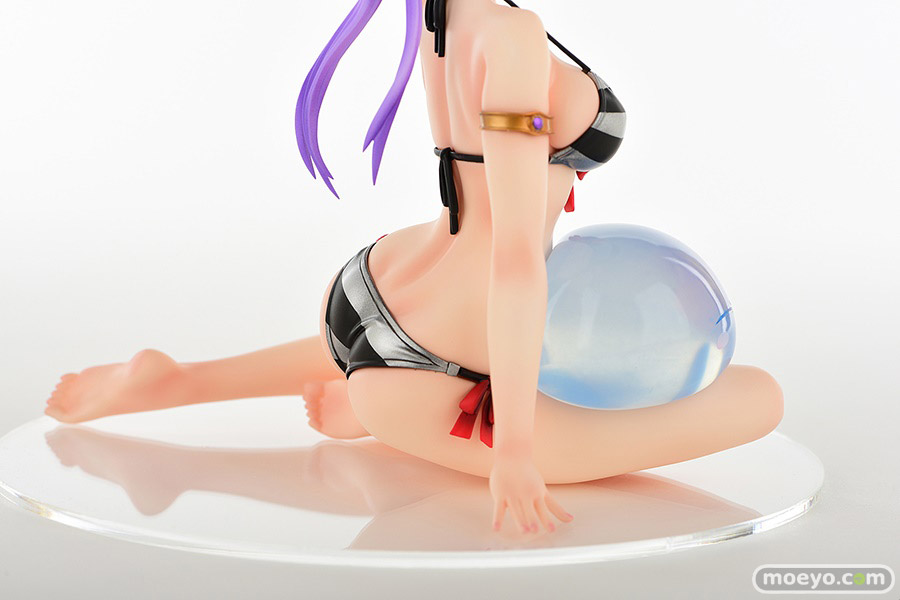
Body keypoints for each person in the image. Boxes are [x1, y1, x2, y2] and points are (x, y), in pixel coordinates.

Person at [44, 0, 784, 535]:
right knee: (759, 397)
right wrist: (515, 450)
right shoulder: (512, 35)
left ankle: (181, 379)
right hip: (437, 362)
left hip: (378, 285)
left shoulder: (438, 18)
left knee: (421, 343)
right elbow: (515, 258)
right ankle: (377, 405)